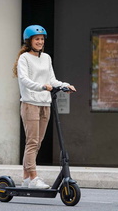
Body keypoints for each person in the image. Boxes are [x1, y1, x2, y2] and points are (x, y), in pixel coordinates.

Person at [13, 25, 76, 189]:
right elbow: (24, 80)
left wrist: (64, 85)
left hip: (45, 104)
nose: (40, 42)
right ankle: (33, 178)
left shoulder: (46, 57)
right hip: (30, 103)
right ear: (29, 41)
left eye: (41, 39)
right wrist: (42, 87)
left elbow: (52, 79)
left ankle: (26, 178)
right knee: (32, 142)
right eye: (37, 39)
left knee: (37, 143)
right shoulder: (24, 58)